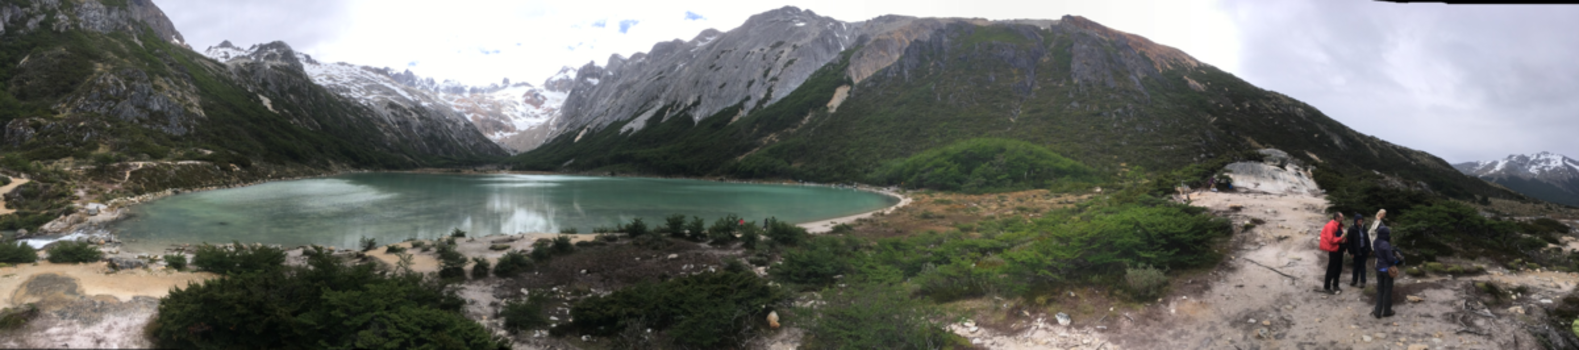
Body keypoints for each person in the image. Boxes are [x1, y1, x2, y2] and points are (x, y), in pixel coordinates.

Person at [1372, 224, 1399, 318]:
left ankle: (1377, 311)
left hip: (1378, 268)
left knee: (1380, 290)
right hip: (1387, 270)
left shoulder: (1375, 242)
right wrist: (1396, 258)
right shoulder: (1385, 244)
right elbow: (1390, 259)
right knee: (1387, 291)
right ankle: (1387, 311)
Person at [1319, 212, 1348, 294]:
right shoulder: (1331, 226)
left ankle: (1336, 285)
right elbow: (1331, 240)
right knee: (1332, 269)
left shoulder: (1338, 225)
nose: (1343, 219)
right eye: (1341, 217)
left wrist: (1344, 240)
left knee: (1338, 268)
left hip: (1339, 249)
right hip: (1333, 250)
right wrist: (1341, 238)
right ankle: (1327, 287)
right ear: (1337, 218)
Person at [1348, 214, 1372, 288]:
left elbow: (1367, 239)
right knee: (1356, 266)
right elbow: (1349, 241)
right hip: (1356, 250)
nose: (1361, 221)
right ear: (1356, 221)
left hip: (1363, 249)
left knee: (1363, 266)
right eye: (1359, 220)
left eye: (1361, 219)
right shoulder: (1352, 229)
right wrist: (1351, 252)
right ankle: (1354, 280)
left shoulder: (1364, 228)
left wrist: (1369, 249)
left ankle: (1363, 281)